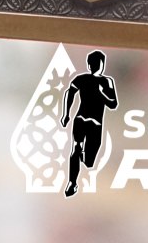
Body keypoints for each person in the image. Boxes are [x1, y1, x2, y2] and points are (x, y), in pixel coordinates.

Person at [58, 49, 116, 197]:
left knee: (89, 161)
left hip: (94, 123)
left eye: (99, 63)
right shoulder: (81, 79)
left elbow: (113, 104)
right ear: (90, 65)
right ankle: (72, 182)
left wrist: (101, 93)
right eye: (95, 63)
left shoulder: (107, 82)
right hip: (82, 119)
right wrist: (66, 114)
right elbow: (69, 93)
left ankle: (82, 158)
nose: (97, 66)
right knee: (76, 147)